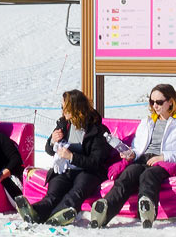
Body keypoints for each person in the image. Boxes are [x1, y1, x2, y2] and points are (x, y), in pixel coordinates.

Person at [90, 83, 176, 229]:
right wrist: (131, 154)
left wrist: (164, 157)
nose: (155, 106)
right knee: (129, 173)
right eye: (152, 102)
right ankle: (105, 208)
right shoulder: (147, 122)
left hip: (165, 163)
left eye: (159, 102)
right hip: (143, 159)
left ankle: (147, 207)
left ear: (171, 102)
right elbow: (138, 147)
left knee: (149, 175)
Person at [28, 90, 117, 226]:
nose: (63, 110)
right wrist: (52, 141)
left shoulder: (98, 130)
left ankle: (57, 217)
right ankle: (34, 212)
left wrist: (72, 157)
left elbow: (96, 161)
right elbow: (49, 150)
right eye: (62, 106)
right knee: (53, 194)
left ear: (76, 108)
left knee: (76, 192)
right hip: (65, 168)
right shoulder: (64, 124)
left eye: (65, 107)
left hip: (88, 171)